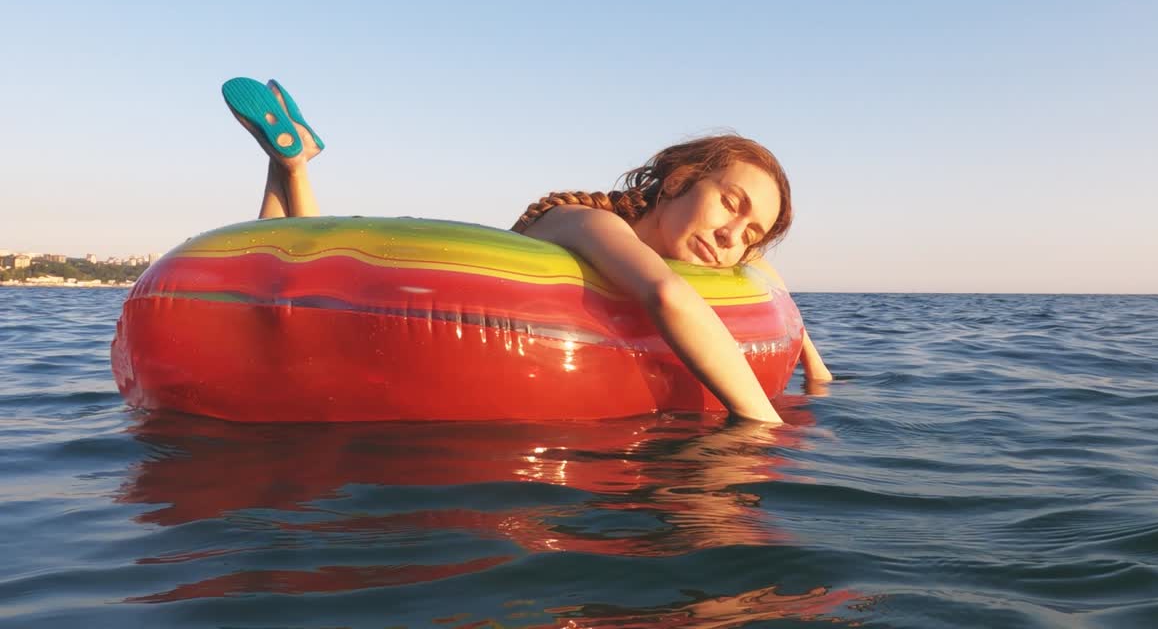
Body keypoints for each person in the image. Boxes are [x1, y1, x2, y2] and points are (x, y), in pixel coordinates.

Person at [222, 77, 832, 423]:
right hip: (429, 313)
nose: (734, 236)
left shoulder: (726, 254)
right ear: (677, 181)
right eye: (731, 204)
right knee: (300, 290)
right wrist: (763, 426)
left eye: (753, 231)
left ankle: (292, 161)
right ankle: (293, 162)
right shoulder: (584, 222)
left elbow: (764, 278)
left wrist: (815, 364)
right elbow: (666, 293)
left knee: (283, 259)